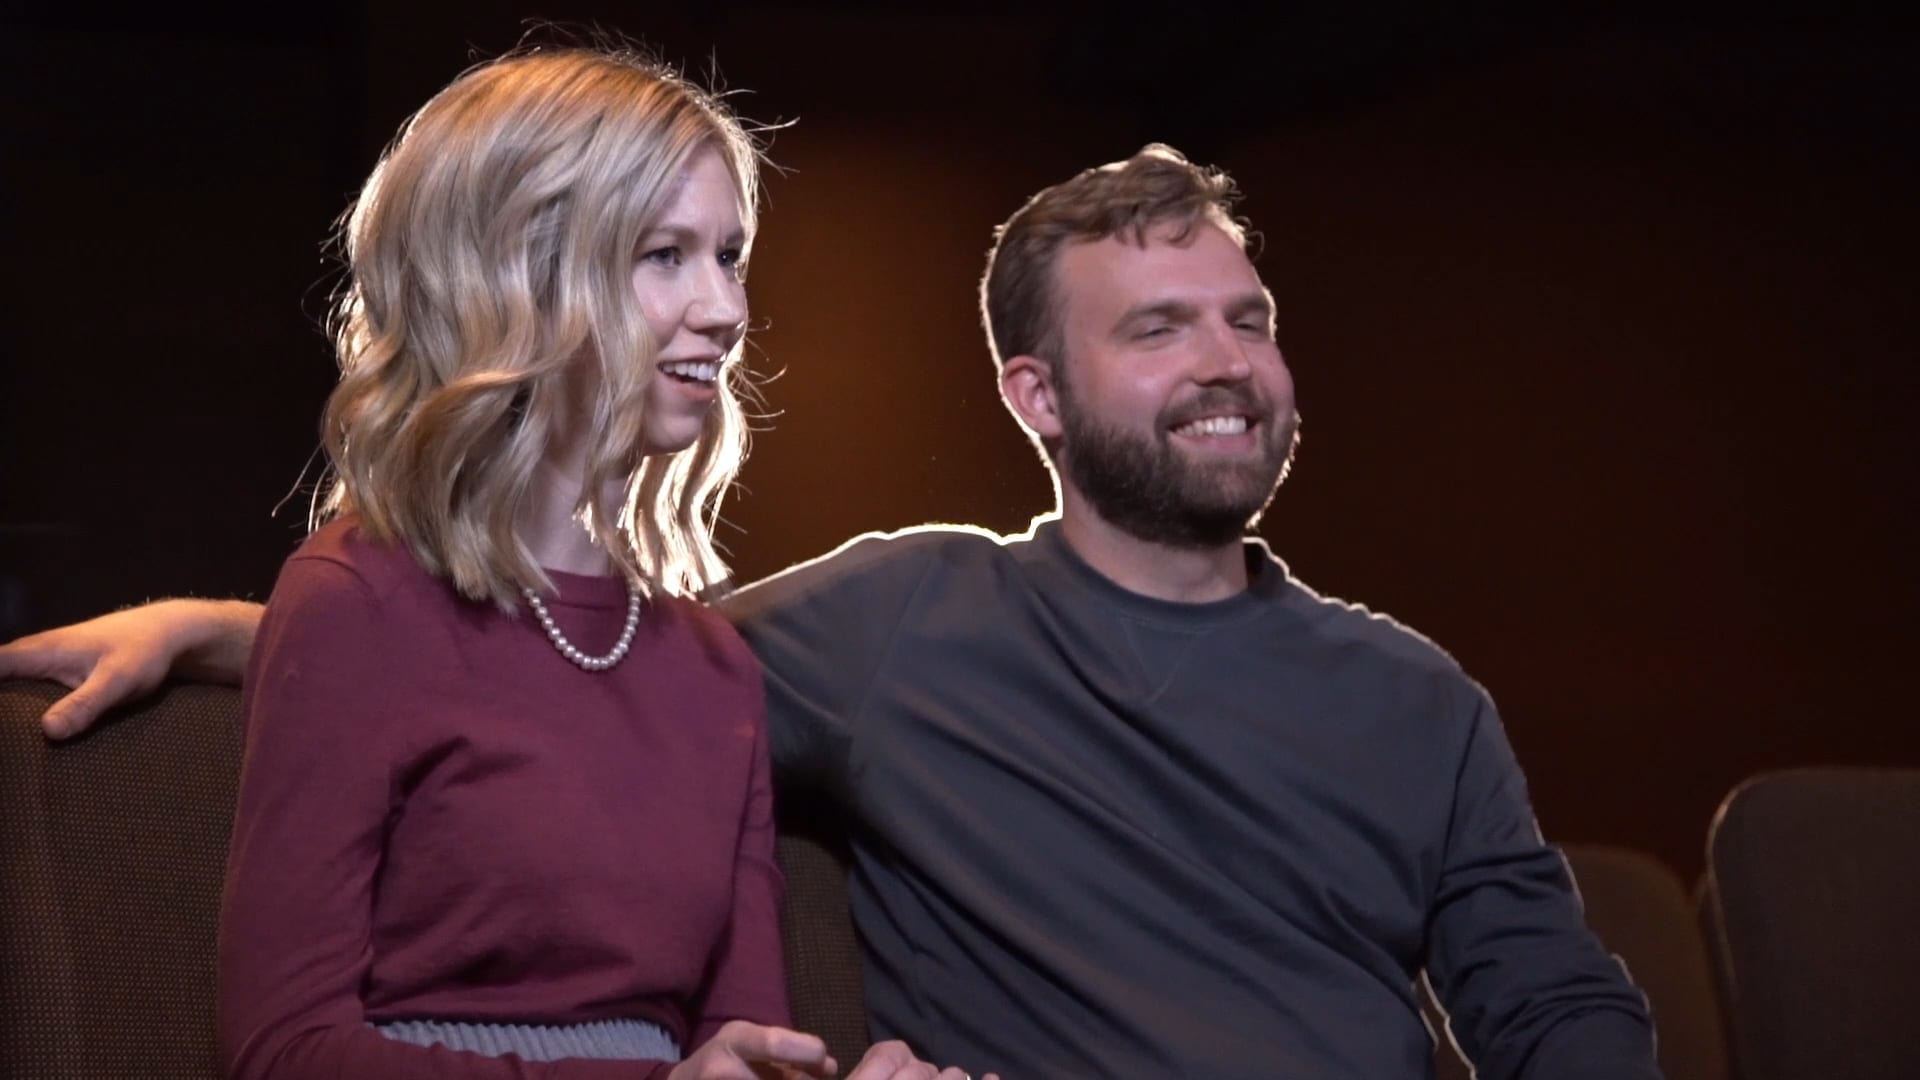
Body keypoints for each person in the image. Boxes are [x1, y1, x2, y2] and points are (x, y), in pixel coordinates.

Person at [4, 146, 1660, 1078]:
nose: (1225, 362)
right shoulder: (904, 624)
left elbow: (1547, 997)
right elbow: (558, 668)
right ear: (1038, 395)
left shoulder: (1413, 690)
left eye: (1246, 317)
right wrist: (240, 628)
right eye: (1157, 330)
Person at [61, 44, 965, 1080]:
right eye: (664, 254)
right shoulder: (355, 598)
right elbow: (285, 1051)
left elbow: (740, 1049)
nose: (725, 310)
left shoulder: (714, 669)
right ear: (513, 279)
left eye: (730, 257)